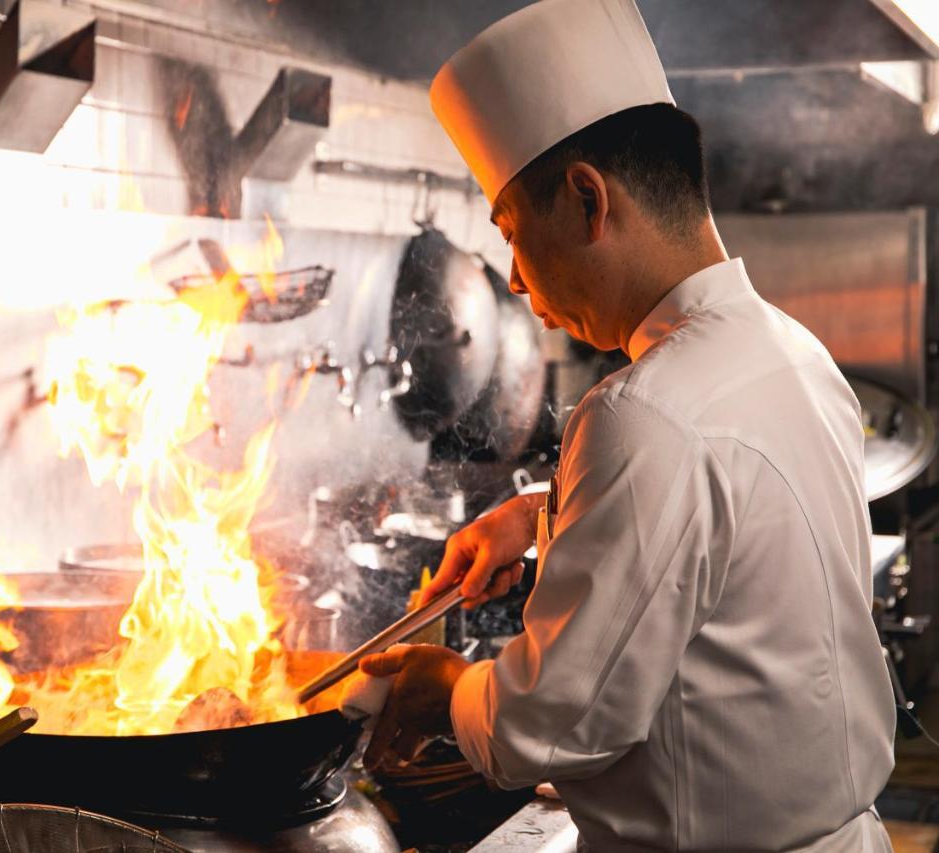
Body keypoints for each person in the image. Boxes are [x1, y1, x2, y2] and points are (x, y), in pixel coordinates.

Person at [358, 0, 898, 849]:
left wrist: (444, 687)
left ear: (584, 199)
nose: (518, 282)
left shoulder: (641, 412)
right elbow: (718, 525)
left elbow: (544, 727)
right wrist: (535, 515)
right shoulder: (794, 352)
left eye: (510, 230)